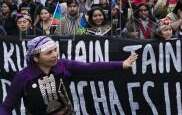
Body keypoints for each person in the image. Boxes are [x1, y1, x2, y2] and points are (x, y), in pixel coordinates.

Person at [0, 36, 138, 115]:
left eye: (55, 50)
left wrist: (121, 64)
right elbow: (6, 107)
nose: (55, 55)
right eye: (49, 53)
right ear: (36, 58)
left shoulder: (63, 65)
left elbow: (90, 67)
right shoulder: (23, 77)